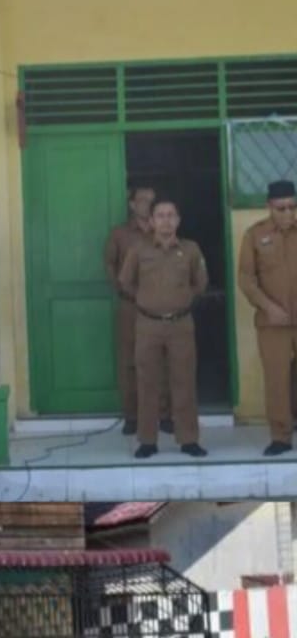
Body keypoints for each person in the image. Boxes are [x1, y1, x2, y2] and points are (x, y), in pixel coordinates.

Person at [118, 196, 209, 459]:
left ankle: (189, 439)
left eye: (171, 215)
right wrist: (150, 301)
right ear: (151, 221)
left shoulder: (191, 249)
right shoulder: (138, 249)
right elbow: (126, 282)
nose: (166, 221)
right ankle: (147, 440)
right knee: (147, 383)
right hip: (148, 324)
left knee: (184, 382)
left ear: (178, 220)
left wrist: (179, 300)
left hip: (181, 324)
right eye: (160, 215)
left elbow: (200, 284)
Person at [238, 180, 297, 457]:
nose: (287, 213)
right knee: (277, 379)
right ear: (269, 207)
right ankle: (281, 436)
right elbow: (246, 279)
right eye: (281, 208)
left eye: (292, 207)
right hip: (273, 322)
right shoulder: (255, 235)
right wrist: (268, 307)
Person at [104, 182, 160, 435]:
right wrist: (125, 290)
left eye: (151, 200)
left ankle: (165, 414)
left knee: (164, 359)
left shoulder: (165, 229)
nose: (146, 205)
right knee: (130, 362)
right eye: (142, 200)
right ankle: (132, 416)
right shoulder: (120, 234)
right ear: (132, 204)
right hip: (131, 306)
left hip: (162, 307)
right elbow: (110, 265)